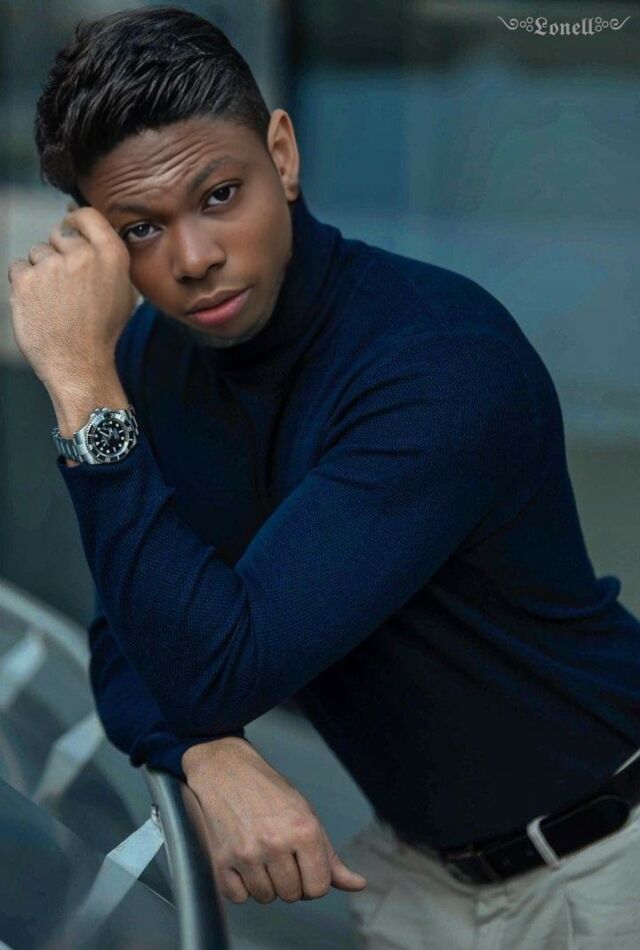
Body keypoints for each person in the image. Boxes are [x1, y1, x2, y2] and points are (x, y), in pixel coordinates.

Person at [8, 6, 640, 947]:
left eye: (221, 195)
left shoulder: (438, 366)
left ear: (284, 155)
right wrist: (206, 755)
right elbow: (128, 635)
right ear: (94, 243)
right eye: (140, 229)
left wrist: (79, 382)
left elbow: (219, 669)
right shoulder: (152, 360)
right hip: (414, 876)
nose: (195, 259)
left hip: (609, 863)